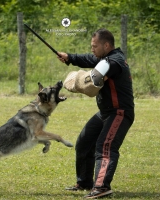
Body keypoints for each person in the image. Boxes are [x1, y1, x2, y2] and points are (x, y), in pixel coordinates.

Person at [57, 28, 134, 199]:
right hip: (106, 112)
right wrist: (69, 57)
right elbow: (89, 59)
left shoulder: (113, 62)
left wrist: (75, 81)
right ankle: (85, 182)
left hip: (119, 113)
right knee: (84, 142)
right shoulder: (105, 58)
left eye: (95, 46)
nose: (92, 49)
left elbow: (91, 84)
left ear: (106, 45)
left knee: (105, 147)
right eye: (91, 46)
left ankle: (101, 187)